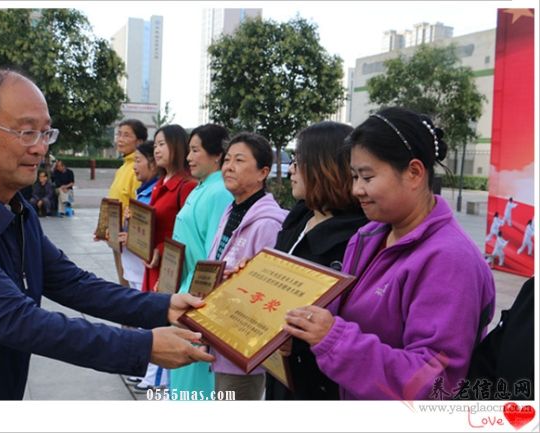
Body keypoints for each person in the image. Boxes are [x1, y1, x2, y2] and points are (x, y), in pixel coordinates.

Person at [0, 67, 213, 400]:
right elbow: (19, 321)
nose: (40, 147)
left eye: (45, 133)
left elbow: (71, 282)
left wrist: (162, 306)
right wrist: (144, 346)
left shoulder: (16, 209)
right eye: (26, 132)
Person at [284, 107, 496, 400]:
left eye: (367, 177)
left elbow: (436, 383)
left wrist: (334, 340)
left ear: (414, 173)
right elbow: (339, 314)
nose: (357, 189)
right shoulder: (368, 236)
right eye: (354, 176)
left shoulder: (449, 260)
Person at [265, 122, 368, 400]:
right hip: (278, 371)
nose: (290, 170)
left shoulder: (358, 238)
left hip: (317, 383)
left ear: (324, 166)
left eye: (298, 162)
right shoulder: (299, 217)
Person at [208, 132, 288, 400]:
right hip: (220, 332)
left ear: (263, 172)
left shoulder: (268, 223)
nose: (228, 166)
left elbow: (266, 291)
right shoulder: (233, 210)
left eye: (239, 160)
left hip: (242, 345)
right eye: (227, 159)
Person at [169, 124, 233, 395]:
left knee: (195, 384)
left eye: (195, 151)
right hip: (185, 289)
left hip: (198, 297)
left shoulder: (219, 192)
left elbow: (214, 255)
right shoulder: (202, 187)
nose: (189, 158)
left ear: (217, 155)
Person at [136, 124, 197, 392]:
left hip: (169, 268)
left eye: (162, 144)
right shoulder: (161, 184)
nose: (157, 150)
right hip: (152, 263)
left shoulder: (186, 186)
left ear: (177, 147)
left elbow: (184, 231)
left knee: (164, 316)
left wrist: (161, 247)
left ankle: (162, 381)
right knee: (151, 316)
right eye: (156, 144)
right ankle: (152, 374)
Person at [118, 140, 161, 391]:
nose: (135, 166)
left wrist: (130, 234)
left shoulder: (156, 190)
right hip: (134, 263)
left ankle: (152, 374)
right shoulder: (145, 189)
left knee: (148, 317)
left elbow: (153, 232)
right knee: (139, 314)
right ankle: (144, 367)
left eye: (139, 160)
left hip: (146, 264)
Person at [102, 119, 147, 286]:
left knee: (130, 284)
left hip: (127, 238)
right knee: (123, 283)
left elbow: (138, 205)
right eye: (119, 134)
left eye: (126, 135)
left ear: (139, 141)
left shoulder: (138, 169)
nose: (120, 139)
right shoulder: (123, 168)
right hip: (115, 234)